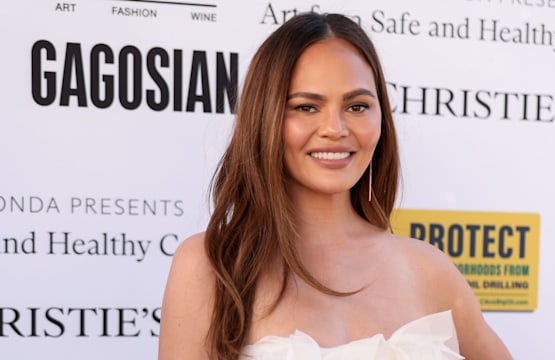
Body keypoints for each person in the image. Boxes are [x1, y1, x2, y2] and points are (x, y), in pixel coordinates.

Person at [158, 12, 512, 360]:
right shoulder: (212, 267)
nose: (336, 128)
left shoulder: (429, 270)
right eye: (307, 107)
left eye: (357, 106)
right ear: (265, 117)